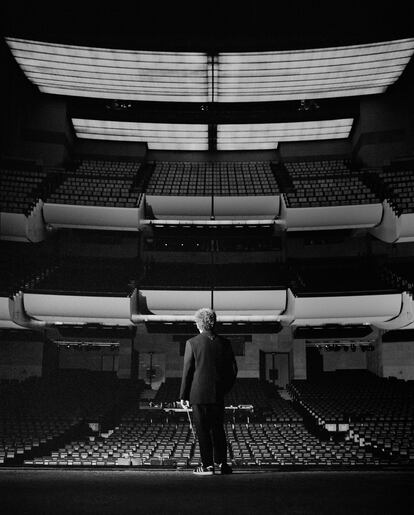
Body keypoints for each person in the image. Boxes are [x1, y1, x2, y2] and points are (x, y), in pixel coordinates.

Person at [179, 308, 238, 475]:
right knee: (218, 429)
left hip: (197, 395)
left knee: (203, 431)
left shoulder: (192, 343)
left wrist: (183, 395)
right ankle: (222, 465)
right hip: (217, 395)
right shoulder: (225, 343)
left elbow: (187, 371)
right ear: (213, 322)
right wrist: (223, 389)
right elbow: (233, 370)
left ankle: (207, 466)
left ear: (199, 324)